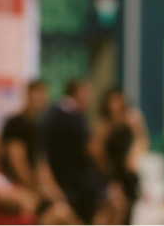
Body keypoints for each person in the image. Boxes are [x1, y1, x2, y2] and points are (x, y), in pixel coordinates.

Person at [40, 79, 108, 224]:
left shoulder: (52, 112)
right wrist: (105, 168)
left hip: (60, 178)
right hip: (75, 182)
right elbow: (92, 149)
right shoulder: (76, 115)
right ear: (78, 92)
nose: (90, 99)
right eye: (87, 94)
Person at [89, 88, 149, 225]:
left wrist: (133, 155)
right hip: (108, 175)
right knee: (111, 209)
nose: (116, 106)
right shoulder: (103, 126)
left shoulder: (132, 119)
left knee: (125, 209)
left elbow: (141, 140)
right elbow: (95, 153)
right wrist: (106, 172)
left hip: (126, 174)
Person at [1, 80, 49, 189]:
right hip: (13, 185)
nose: (39, 104)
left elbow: (41, 163)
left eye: (42, 99)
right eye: (36, 99)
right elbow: (17, 162)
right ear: (28, 97)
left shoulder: (38, 127)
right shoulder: (17, 125)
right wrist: (33, 188)